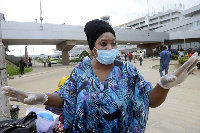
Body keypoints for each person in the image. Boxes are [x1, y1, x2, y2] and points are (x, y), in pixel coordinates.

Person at [1, 19, 200, 133]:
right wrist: (42, 97)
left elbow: (150, 101)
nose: (110, 47)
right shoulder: (81, 71)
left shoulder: (128, 72)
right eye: (103, 44)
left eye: (113, 43)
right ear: (92, 49)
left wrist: (163, 86)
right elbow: (65, 98)